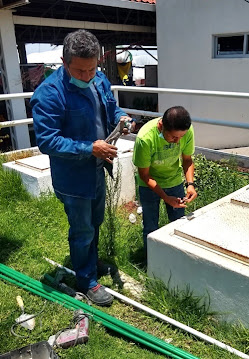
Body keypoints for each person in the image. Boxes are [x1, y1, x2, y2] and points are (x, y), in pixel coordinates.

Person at [31, 30, 132, 306]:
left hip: (97, 169)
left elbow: (111, 109)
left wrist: (122, 117)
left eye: (92, 68)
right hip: (73, 177)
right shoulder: (49, 94)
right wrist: (89, 148)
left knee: (94, 222)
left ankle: (90, 260)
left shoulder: (98, 79)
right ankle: (87, 280)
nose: (88, 75)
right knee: (82, 229)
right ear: (64, 63)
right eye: (80, 70)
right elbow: (47, 141)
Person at [132, 106, 197, 258]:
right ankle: (152, 262)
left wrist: (190, 185)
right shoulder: (145, 138)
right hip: (149, 185)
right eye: (174, 137)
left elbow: (187, 160)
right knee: (150, 227)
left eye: (181, 137)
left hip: (174, 181)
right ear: (161, 126)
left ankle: (177, 258)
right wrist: (165, 197)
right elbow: (145, 175)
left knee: (179, 223)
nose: (177, 142)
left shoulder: (186, 131)